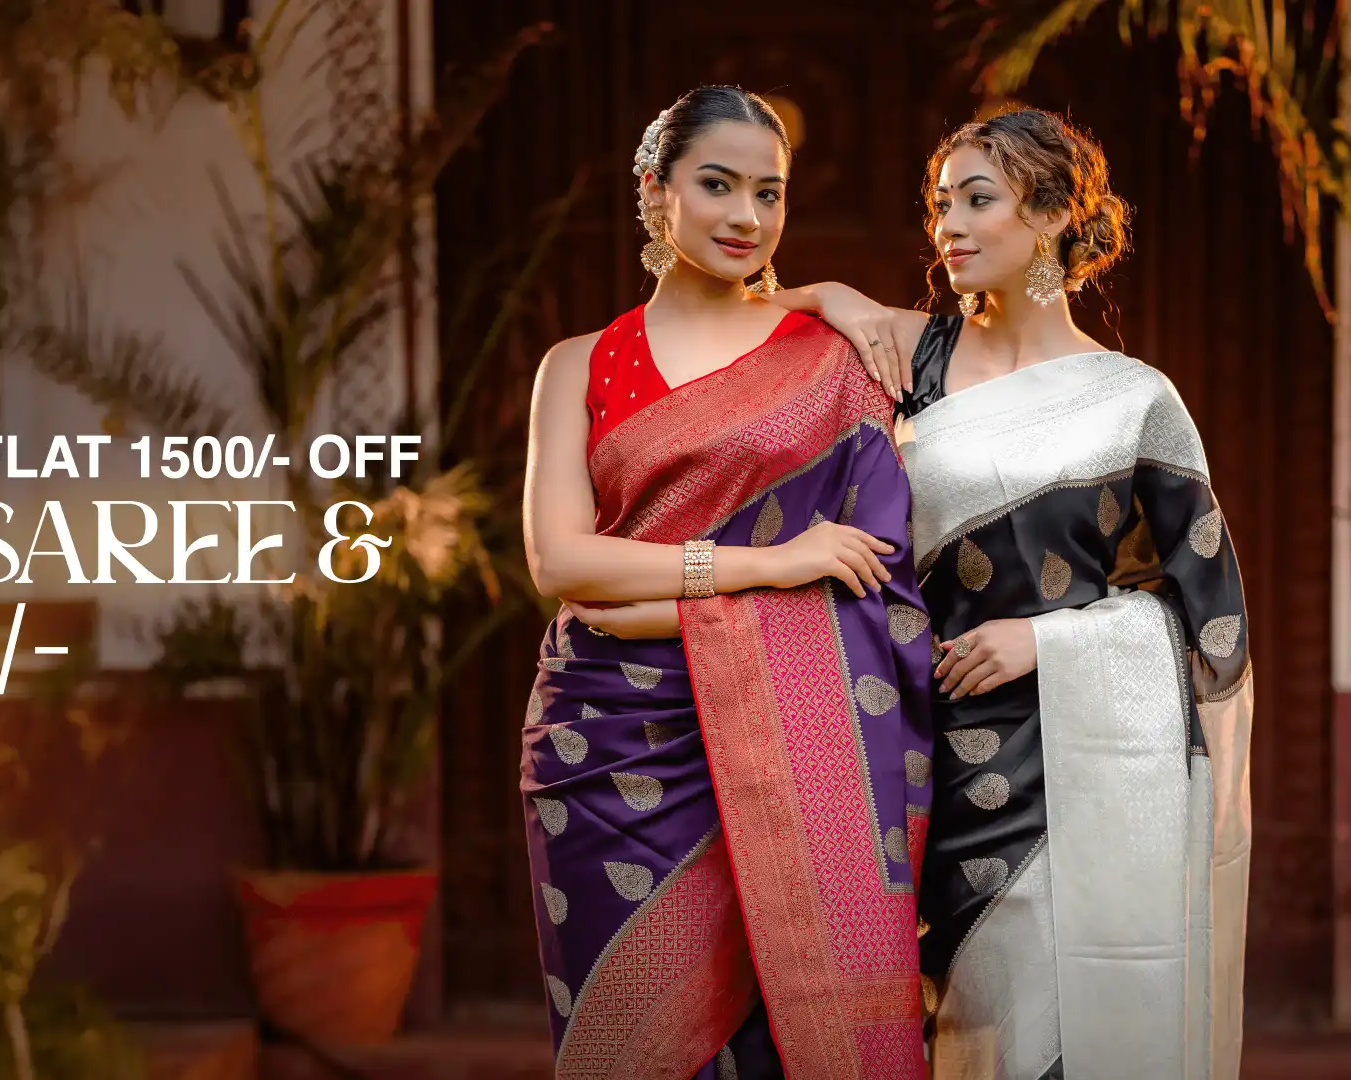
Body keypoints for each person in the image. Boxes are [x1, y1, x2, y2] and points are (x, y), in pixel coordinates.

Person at [774, 107, 1253, 1079]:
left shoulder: (1134, 399)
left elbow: (1214, 622)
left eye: (977, 201)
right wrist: (831, 294)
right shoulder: (910, 359)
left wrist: (1055, 643)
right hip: (932, 750)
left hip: (1089, 761)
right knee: (975, 1025)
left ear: (1051, 217)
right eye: (939, 203)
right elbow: (749, 323)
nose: (947, 224)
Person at [519, 85, 934, 1080]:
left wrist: (827, 297)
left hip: (796, 737)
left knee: (784, 1028)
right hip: (601, 742)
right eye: (717, 185)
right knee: (630, 1042)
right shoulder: (576, 365)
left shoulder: (836, 356)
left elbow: (986, 358)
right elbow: (563, 568)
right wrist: (773, 564)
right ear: (658, 191)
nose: (748, 217)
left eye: (769, 193)